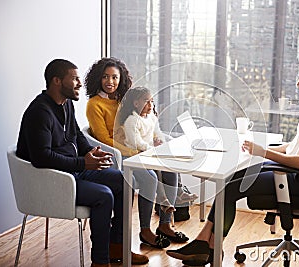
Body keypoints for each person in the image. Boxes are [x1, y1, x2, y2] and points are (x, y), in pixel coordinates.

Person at [166, 55, 299, 265]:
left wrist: (263, 153)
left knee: (230, 186)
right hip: (294, 176)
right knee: (230, 179)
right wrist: (261, 148)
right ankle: (206, 243)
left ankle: (209, 245)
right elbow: (295, 146)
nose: (298, 84)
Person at [15, 59, 146, 267]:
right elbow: (42, 158)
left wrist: (90, 152)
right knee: (103, 194)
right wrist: (83, 164)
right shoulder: (39, 112)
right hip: (52, 180)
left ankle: (116, 245)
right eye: (75, 79)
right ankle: (100, 261)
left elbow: (76, 135)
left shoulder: (65, 104)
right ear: (57, 81)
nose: (79, 83)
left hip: (72, 171)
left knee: (124, 182)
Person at [84, 58, 189, 249]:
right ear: (98, 79)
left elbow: (143, 123)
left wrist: (154, 141)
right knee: (149, 178)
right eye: (105, 77)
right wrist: (133, 152)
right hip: (117, 156)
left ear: (121, 78)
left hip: (136, 150)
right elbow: (104, 139)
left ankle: (165, 224)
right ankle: (145, 230)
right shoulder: (94, 104)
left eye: (114, 77)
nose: (110, 81)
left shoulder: (124, 101)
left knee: (170, 170)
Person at [117, 86, 190, 243]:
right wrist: (153, 148)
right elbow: (137, 143)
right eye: (146, 101)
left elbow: (159, 134)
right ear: (136, 103)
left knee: (171, 171)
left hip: (150, 155)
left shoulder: (152, 118)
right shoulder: (131, 121)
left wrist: (160, 142)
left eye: (152, 101)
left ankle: (165, 223)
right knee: (153, 175)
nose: (151, 105)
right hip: (135, 157)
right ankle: (148, 225)